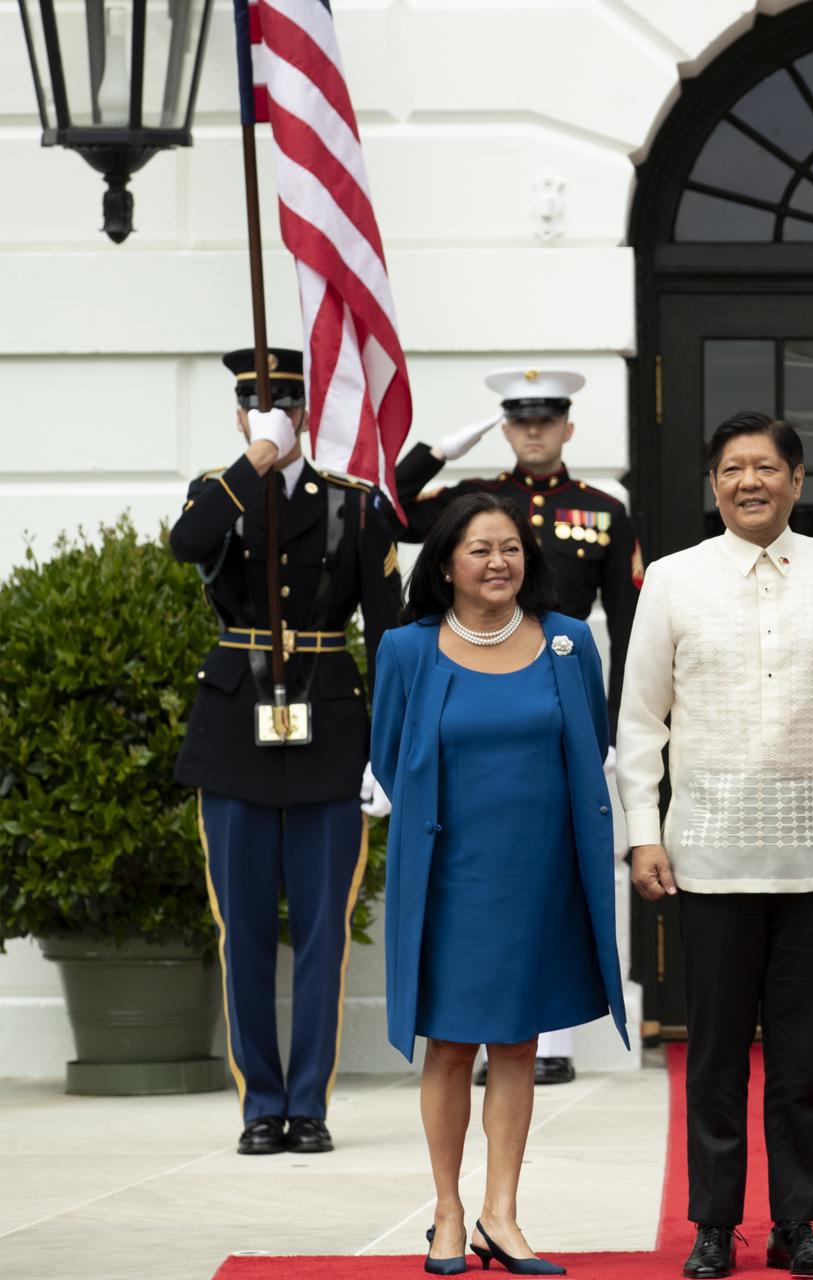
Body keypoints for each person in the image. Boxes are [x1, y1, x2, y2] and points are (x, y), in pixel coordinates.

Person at [620, 413, 813, 1280]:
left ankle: (797, 1223)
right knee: (711, 1057)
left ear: (797, 480)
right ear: (715, 485)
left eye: (768, 468)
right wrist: (643, 834)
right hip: (704, 852)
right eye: (734, 469)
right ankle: (714, 1224)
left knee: (799, 1060)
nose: (752, 482)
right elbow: (640, 722)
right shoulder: (671, 580)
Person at [370, 492, 630, 1276]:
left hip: (540, 874)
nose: (497, 563)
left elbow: (588, 737)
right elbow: (388, 756)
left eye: (510, 548)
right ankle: (447, 1213)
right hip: (450, 876)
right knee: (449, 1045)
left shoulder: (567, 642)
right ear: (445, 563)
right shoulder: (407, 650)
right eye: (480, 549)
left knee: (517, 1043)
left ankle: (501, 1215)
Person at [170, 346, 401, 1157]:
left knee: (322, 932)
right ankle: (258, 1104)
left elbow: (394, 636)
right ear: (240, 416)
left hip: (331, 732)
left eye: (287, 408)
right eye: (259, 409)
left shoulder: (354, 506)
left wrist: (389, 753)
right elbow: (183, 542)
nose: (274, 418)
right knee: (243, 932)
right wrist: (256, 460)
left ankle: (308, 1104)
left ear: (308, 412)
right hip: (236, 732)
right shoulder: (219, 493)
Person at [393, 367, 643, 1086]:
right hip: (479, 695)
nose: (534, 431)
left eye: (548, 420)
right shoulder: (479, 504)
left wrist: (620, 723)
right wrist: (436, 453)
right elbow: (393, 509)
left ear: (567, 428)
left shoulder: (603, 508)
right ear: (505, 429)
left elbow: (625, 623)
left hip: (562, 703)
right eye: (521, 421)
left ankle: (550, 1042)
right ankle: (493, 1027)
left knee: (551, 865)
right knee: (494, 870)